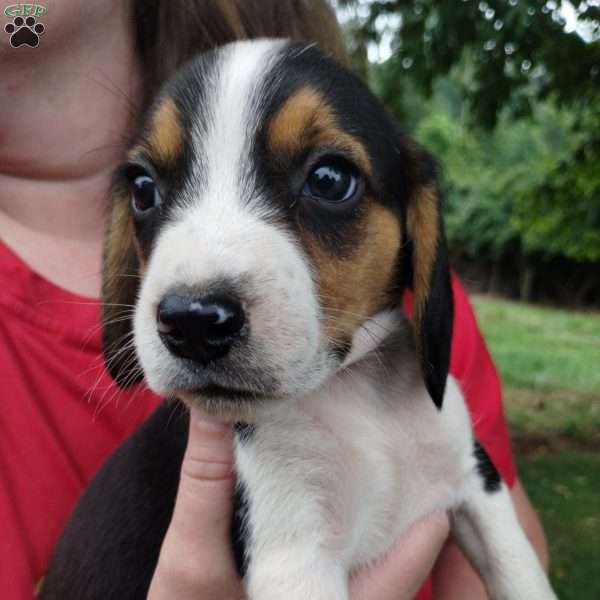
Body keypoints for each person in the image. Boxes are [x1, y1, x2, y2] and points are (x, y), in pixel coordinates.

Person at [0, 1, 548, 598]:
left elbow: (474, 487)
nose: (197, 289)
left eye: (327, 181)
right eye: (150, 191)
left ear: (418, 233)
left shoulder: (420, 357)